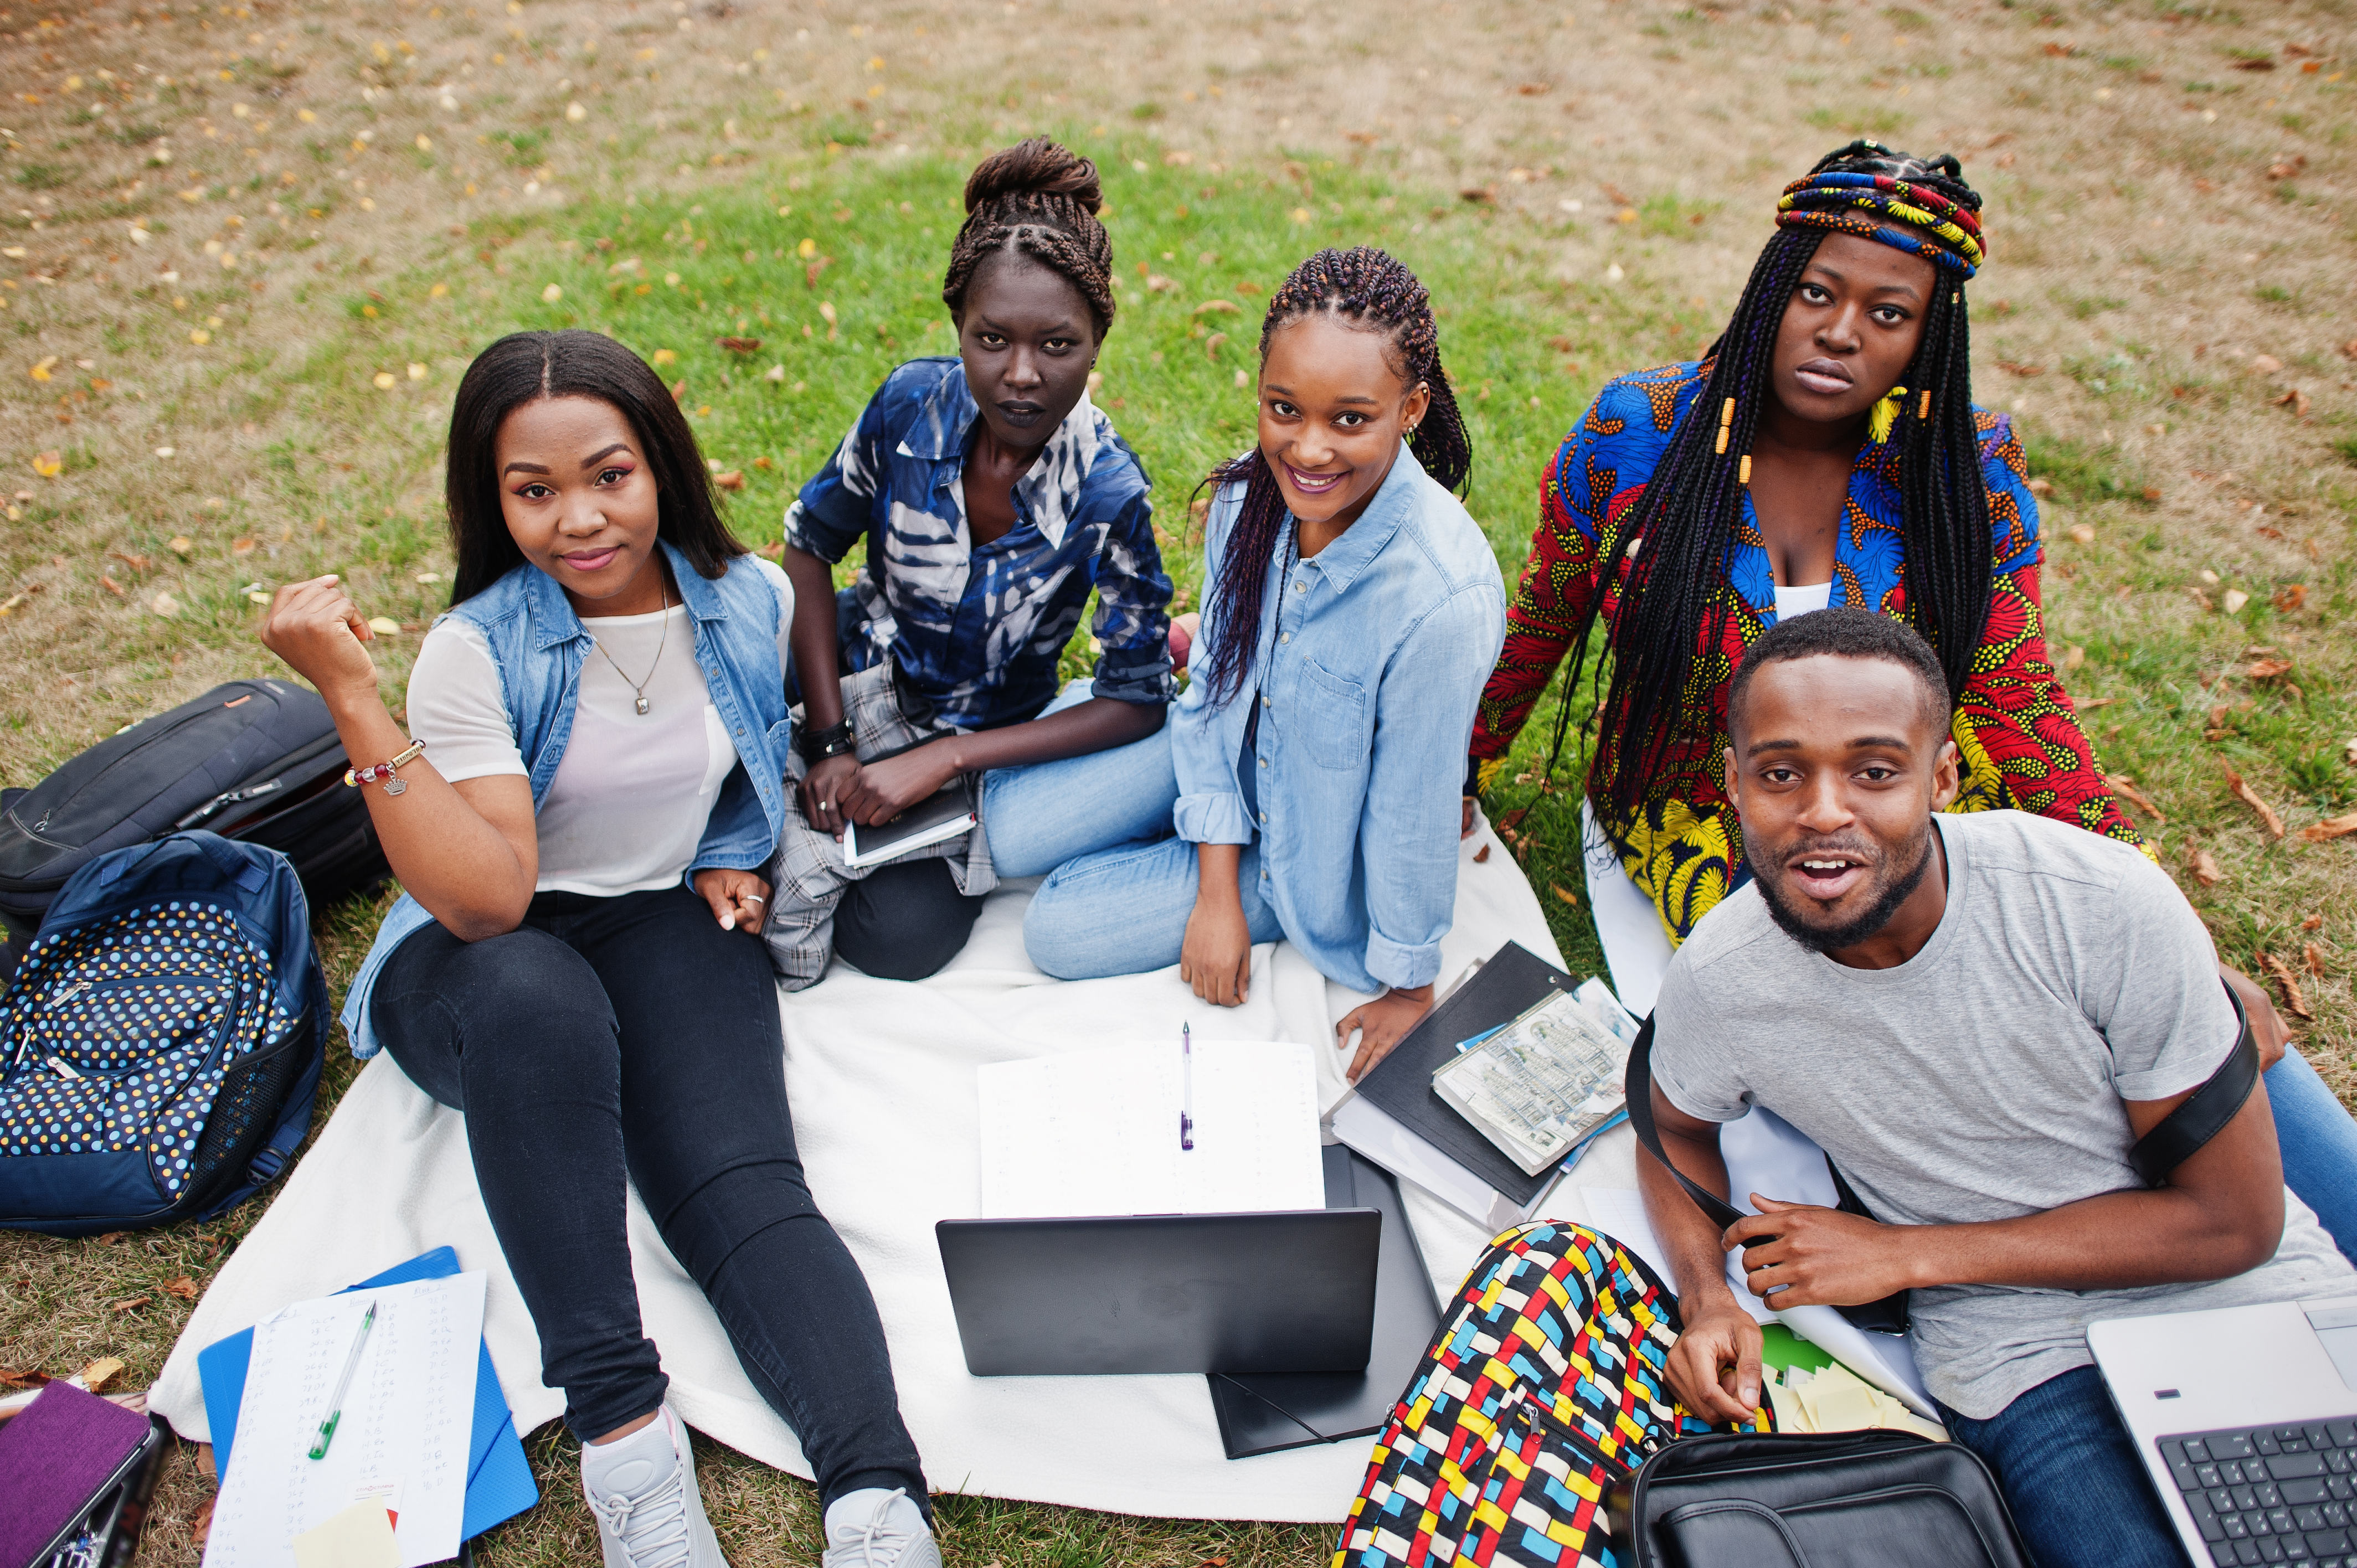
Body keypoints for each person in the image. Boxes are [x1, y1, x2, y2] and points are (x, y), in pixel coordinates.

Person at [1462, 138, 2357, 1259]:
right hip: (1717, 806)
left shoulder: (1958, 472)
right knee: (1907, 1003)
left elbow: (2023, 700)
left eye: (1888, 315)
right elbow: (1543, 620)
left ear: (1926, 336)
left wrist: (2176, 938)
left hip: (1921, 799)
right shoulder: (1638, 434)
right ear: (1768, 291)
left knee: (2125, 990)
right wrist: (1457, 762)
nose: (1842, 332)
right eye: (1816, 293)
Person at [263, 331, 938, 1568]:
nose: (578, 519)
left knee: (742, 1185)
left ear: (660, 468)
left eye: (607, 476)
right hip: (481, 956)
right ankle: (626, 1437)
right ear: (495, 498)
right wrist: (356, 699)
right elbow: (492, 900)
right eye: (533, 491)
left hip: (654, 917)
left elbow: (745, 754)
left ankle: (878, 1498)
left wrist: (734, 846)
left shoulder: (744, 602)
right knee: (538, 998)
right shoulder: (478, 651)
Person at [1639, 607, 2354, 1567]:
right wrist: (1708, 1299)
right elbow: (1670, 1125)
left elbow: (2234, 1226)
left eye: (1875, 771)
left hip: (2242, 1298)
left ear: (1944, 778)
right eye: (1781, 772)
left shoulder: (2102, 906)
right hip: (2025, 1364)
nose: (1822, 811)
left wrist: (1904, 1256)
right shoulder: (1721, 983)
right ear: (1734, 785)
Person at [989, 247, 1505, 1079]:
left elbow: (1411, 811)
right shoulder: (1247, 500)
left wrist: (1408, 988)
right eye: (1283, 409)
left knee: (1055, 930)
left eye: (1349, 420)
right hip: (1219, 757)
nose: (1307, 450)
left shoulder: (1444, 599)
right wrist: (1210, 883)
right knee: (1010, 833)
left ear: (1409, 410)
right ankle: (1164, 820)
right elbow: (1214, 701)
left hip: (1310, 844)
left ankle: (1159, 835)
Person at [764, 137, 1173, 989]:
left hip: (969, 739)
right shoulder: (909, 402)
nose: (1020, 376)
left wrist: (948, 761)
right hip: (840, 675)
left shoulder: (1108, 494)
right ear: (960, 325)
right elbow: (809, 546)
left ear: (1099, 337)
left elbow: (1135, 703)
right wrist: (830, 737)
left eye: (1058, 346)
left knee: (901, 940)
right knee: (723, 745)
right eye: (991, 340)